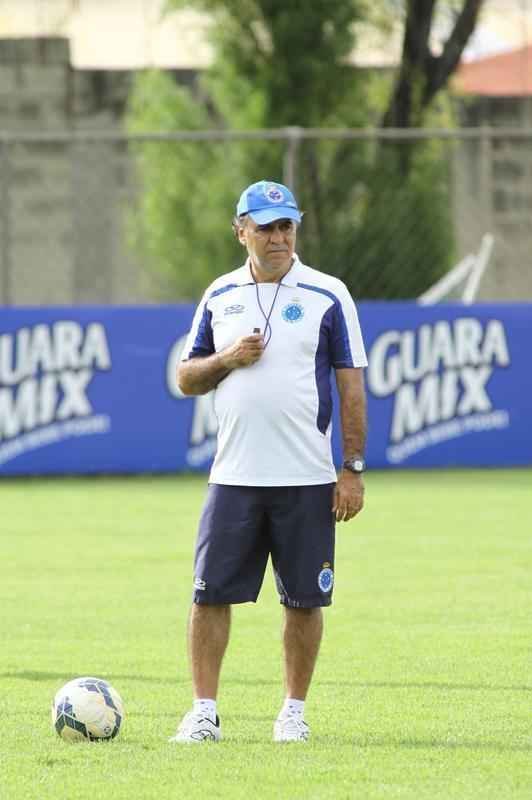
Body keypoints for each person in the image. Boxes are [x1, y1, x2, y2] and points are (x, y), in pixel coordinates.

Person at [170, 180, 367, 744]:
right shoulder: (220, 294)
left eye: (286, 226)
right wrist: (230, 358)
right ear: (241, 232)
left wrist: (351, 468)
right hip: (232, 475)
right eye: (265, 227)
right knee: (208, 595)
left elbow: (351, 386)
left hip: (307, 478)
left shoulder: (329, 294)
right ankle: (204, 712)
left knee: (304, 600)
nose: (278, 237)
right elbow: (186, 378)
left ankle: (293, 713)